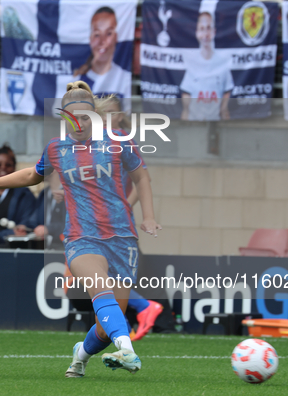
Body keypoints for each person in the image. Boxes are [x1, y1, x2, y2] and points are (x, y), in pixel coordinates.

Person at [0, 81, 161, 377]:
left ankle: (80, 356)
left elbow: (142, 177)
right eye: (72, 118)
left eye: (85, 117)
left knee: (106, 326)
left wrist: (148, 216)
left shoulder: (119, 140)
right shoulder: (57, 149)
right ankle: (129, 351)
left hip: (122, 238)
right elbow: (32, 175)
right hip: (81, 238)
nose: (79, 123)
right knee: (100, 290)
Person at [95, 96, 163, 341]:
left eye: (110, 113)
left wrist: (124, 206)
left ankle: (141, 308)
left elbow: (142, 178)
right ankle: (124, 324)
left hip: (113, 221)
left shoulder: (121, 139)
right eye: (102, 114)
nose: (106, 118)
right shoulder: (97, 141)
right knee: (100, 276)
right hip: (98, 218)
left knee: (97, 273)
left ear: (120, 115)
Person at [180, 11, 234, 121]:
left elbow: (225, 108)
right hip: (195, 125)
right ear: (197, 32)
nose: (206, 34)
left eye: (208, 28)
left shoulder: (223, 63)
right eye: (202, 28)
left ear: (214, 32)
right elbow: (186, 108)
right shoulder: (192, 64)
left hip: (216, 125)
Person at [73, 7, 131, 105]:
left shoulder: (125, 77)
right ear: (90, 39)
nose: (102, 41)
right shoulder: (77, 80)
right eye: (97, 34)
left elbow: (125, 115)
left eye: (108, 33)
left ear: (116, 37)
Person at [19, 172, 66, 250]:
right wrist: (25, 227)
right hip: (45, 247)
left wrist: (49, 229)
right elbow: (35, 219)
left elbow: (73, 225)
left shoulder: (69, 193)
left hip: (62, 248)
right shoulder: (44, 193)